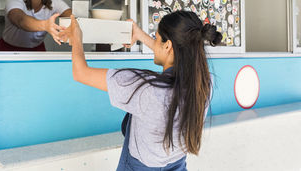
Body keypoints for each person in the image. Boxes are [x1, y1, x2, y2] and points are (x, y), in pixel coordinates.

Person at [59, 11, 222, 170]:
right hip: (177, 164)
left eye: (156, 39)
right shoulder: (205, 82)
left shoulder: (146, 88)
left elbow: (80, 72)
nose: (154, 42)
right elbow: (174, 54)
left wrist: (77, 37)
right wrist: (139, 34)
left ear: (168, 45)